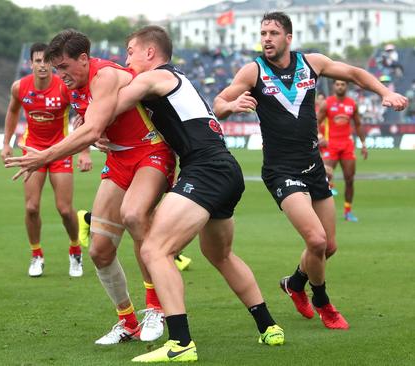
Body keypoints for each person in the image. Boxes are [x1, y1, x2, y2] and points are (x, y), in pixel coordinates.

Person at [213, 12, 407, 330]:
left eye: (273, 33)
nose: (266, 38)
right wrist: (230, 107)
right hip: (280, 170)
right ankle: (323, 302)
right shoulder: (253, 70)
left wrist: (384, 93)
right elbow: (219, 101)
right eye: (263, 33)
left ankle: (294, 283)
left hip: (314, 167)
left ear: (288, 38)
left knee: (328, 246)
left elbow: (355, 72)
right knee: (315, 241)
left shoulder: (312, 63)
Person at [105, 25, 284, 363]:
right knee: (221, 255)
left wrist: (89, 118)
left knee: (155, 249)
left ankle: (181, 343)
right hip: (224, 169)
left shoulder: (153, 78)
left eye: (130, 51)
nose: (126, 59)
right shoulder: (178, 79)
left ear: (149, 53)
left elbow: (109, 107)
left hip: (206, 170)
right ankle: (268, 326)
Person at [6, 29, 176, 345]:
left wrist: (44, 155)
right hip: (119, 161)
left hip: (151, 151)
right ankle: (128, 323)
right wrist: (90, 136)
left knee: (135, 215)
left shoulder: (106, 75)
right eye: (56, 69)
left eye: (65, 67)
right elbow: (90, 125)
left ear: (84, 59)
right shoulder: (74, 85)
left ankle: (155, 309)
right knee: (98, 250)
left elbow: (95, 125)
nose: (61, 75)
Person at [2, 42, 92, 278]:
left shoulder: (63, 87)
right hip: (32, 151)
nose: (42, 66)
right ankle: (36, 255)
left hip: (60, 150)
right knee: (31, 207)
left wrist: (84, 152)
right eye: (38, 61)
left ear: (52, 64)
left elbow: (84, 114)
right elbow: (12, 111)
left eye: (46, 61)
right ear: (30, 63)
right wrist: (6, 143)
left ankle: (75, 250)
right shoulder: (19, 87)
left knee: (64, 209)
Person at [318, 80, 367, 222]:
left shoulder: (352, 104)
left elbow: (358, 125)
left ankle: (348, 211)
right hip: (330, 145)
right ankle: (321, 212)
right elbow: (315, 121)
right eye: (337, 84)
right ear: (334, 86)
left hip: (347, 145)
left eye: (343, 84)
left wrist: (363, 144)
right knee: (324, 178)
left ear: (347, 87)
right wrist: (319, 136)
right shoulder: (327, 103)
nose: (340, 86)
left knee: (350, 180)